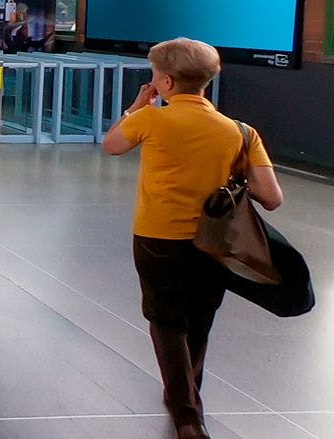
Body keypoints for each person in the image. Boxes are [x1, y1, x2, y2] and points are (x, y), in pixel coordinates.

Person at [102, 38, 284, 439]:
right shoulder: (241, 131)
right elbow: (272, 197)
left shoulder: (151, 120)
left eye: (153, 78)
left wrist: (136, 107)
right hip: (215, 244)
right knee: (199, 319)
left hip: (157, 237)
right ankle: (187, 394)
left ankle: (186, 415)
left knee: (165, 321)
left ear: (165, 82)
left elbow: (111, 145)